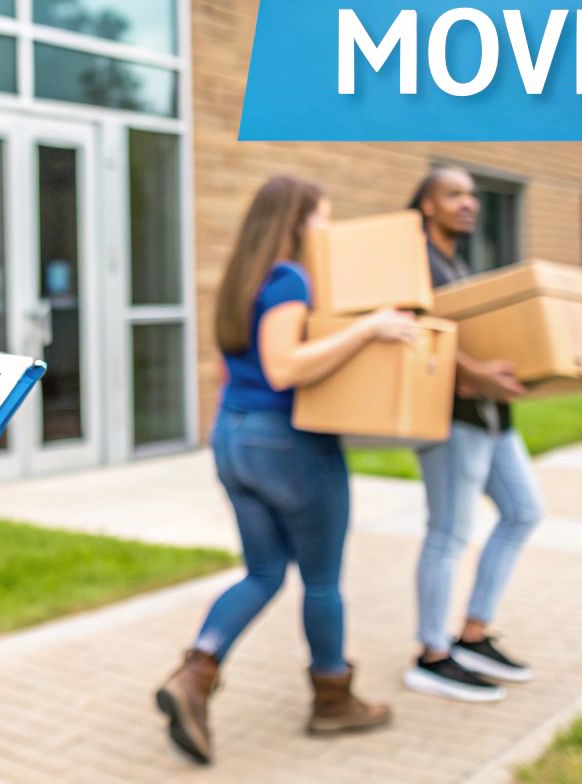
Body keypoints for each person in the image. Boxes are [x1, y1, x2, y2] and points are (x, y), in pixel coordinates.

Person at [154, 175, 411, 764]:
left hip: (234, 436)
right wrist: (370, 327)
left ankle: (194, 675)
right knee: (320, 580)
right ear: (297, 221)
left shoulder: (245, 279)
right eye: (322, 217)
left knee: (264, 572)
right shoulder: (291, 279)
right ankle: (333, 702)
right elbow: (284, 366)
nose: (328, 230)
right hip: (288, 443)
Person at [402, 165, 547, 703]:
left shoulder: (458, 262)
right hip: (450, 419)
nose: (468, 204)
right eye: (454, 194)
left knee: (523, 511)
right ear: (426, 206)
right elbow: (414, 330)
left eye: (472, 195)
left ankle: (472, 635)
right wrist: (474, 372)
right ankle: (431, 654)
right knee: (448, 533)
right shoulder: (414, 262)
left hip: (492, 417)